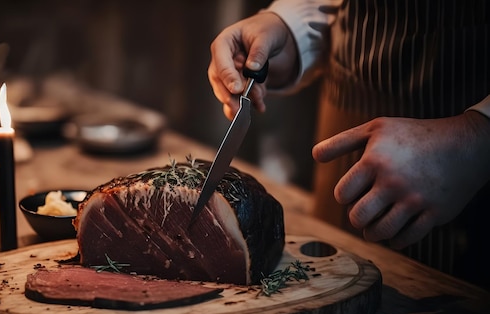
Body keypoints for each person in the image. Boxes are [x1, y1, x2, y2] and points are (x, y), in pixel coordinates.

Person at [208, 0, 490, 283]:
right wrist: (291, 27)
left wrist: (475, 139)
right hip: (345, 134)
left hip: (464, 177)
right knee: (329, 285)